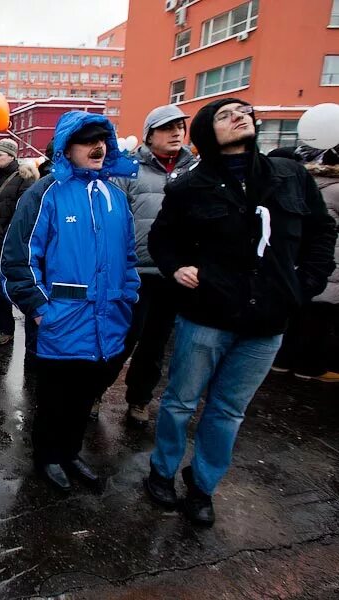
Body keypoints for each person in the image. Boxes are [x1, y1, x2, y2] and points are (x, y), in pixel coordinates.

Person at [145, 98, 336, 526]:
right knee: (180, 402)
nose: (239, 116)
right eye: (225, 114)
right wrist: (177, 267)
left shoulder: (289, 176)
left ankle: (202, 487)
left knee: (229, 410)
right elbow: (163, 240)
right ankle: (162, 471)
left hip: (267, 323)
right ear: (209, 132)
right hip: (206, 317)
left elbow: (322, 231)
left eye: (244, 111)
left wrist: (306, 283)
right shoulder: (189, 187)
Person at [0, 111, 140, 492]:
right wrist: (42, 309)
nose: (97, 147)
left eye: (102, 140)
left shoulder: (115, 196)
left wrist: (129, 300)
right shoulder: (45, 193)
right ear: (66, 149)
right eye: (86, 141)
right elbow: (18, 259)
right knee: (55, 399)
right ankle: (47, 456)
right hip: (62, 321)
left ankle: (71, 451)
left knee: (84, 397)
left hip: (107, 322)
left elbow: (128, 258)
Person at [95, 105, 198, 425]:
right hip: (135, 273)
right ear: (149, 134)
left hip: (174, 275)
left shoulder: (194, 171)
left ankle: (139, 399)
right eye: (167, 128)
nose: (176, 133)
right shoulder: (127, 170)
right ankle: (96, 391)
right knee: (122, 339)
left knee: (155, 346)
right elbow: (113, 221)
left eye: (180, 126)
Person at [271, 148, 339, 382]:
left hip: (300, 260)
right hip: (324, 263)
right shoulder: (331, 189)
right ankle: (309, 366)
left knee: (299, 315)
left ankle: (282, 360)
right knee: (319, 319)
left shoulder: (307, 183)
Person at [0, 138, 39, 346]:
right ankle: (3, 323)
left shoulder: (23, 178)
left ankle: (8, 327)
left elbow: (23, 213)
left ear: (11, 155)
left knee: (7, 286)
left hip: (10, 242)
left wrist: (10, 236)